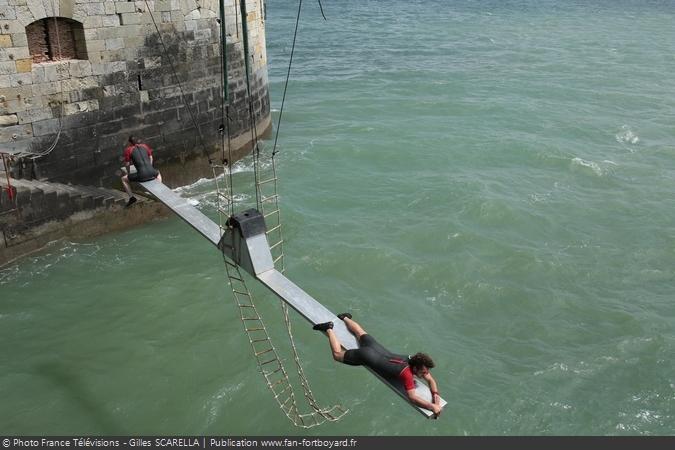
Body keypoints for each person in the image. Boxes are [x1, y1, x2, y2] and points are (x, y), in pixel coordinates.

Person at [312, 313, 443, 417]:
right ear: (415, 368)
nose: (425, 375)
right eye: (423, 372)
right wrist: (432, 406)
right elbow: (413, 397)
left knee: (360, 332)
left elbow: (431, 380)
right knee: (337, 354)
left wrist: (435, 395)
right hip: (366, 356)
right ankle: (328, 329)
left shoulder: (412, 359)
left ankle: (344, 317)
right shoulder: (407, 374)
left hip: (375, 347)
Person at [121, 136, 162, 207]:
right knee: (158, 173)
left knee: (123, 179)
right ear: (138, 141)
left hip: (141, 176)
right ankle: (159, 188)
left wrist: (128, 173)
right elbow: (151, 157)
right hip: (152, 172)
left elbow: (127, 164)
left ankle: (132, 198)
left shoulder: (128, 150)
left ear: (129, 143)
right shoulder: (145, 146)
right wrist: (150, 168)